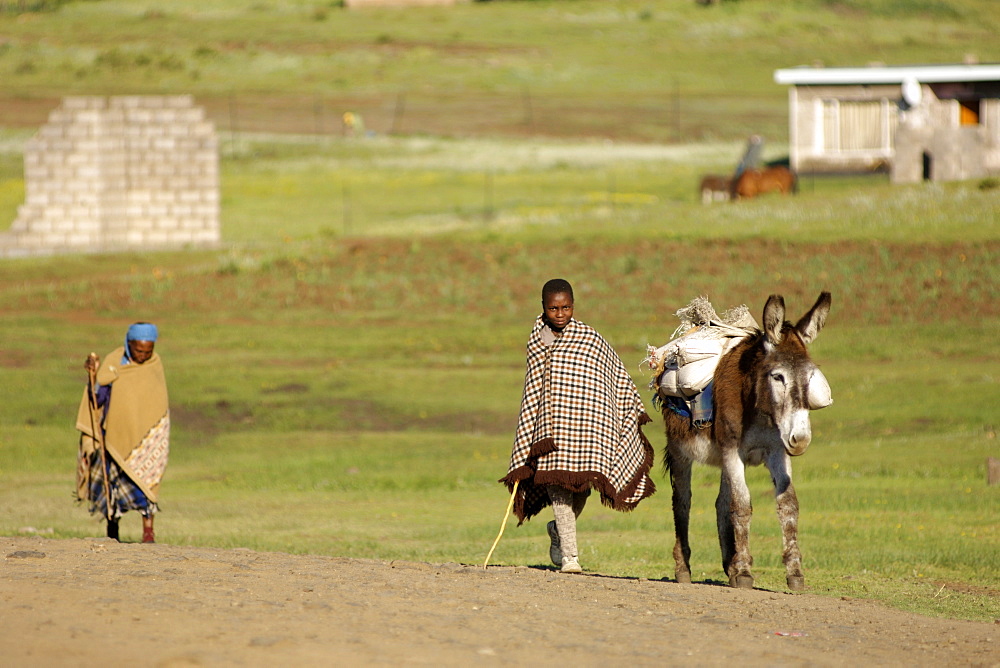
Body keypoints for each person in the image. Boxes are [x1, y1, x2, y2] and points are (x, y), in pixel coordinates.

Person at [501, 279, 656, 573]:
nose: (560, 313)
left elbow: (613, 378)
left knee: (581, 491)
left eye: (566, 307)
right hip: (551, 435)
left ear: (574, 305)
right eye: (554, 308)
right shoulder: (537, 342)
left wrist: (622, 410)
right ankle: (571, 558)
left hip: (585, 431)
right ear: (544, 308)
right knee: (558, 490)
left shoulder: (590, 338)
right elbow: (533, 391)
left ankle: (558, 531)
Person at [75, 322, 170, 543]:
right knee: (112, 485)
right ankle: (112, 530)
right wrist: (93, 376)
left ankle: (148, 532)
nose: (144, 355)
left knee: (146, 483)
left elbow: (159, 403)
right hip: (114, 436)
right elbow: (98, 398)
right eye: (139, 350)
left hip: (145, 437)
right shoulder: (113, 363)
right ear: (129, 344)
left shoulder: (154, 365)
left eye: (148, 350)